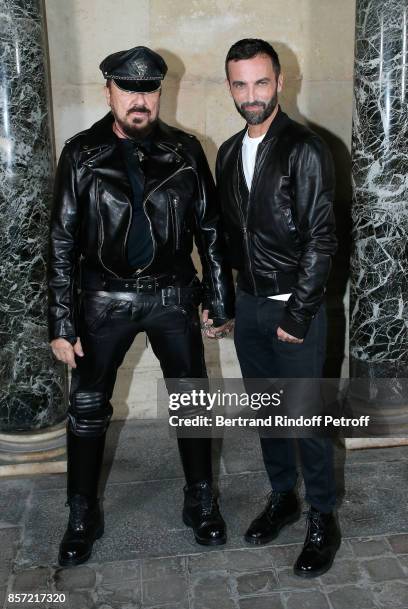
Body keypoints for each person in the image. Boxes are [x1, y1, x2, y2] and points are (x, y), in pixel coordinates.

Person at [48, 45, 234, 567]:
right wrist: (62, 321)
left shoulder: (186, 151)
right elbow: (61, 240)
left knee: (193, 403)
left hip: (173, 296)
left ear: (160, 92)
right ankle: (81, 511)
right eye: (128, 89)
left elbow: (211, 231)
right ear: (107, 90)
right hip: (102, 300)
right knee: (87, 409)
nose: (139, 100)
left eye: (148, 89)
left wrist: (218, 298)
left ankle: (200, 499)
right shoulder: (81, 153)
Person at [216, 38, 340, 578]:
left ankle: (323, 517)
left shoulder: (304, 148)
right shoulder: (225, 151)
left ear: (280, 82)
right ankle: (283, 497)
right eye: (240, 84)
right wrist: (221, 301)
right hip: (249, 307)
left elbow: (322, 240)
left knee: (307, 420)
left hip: (296, 310)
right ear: (230, 86)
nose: (251, 95)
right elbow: (221, 236)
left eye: (260, 82)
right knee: (267, 413)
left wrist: (298, 312)